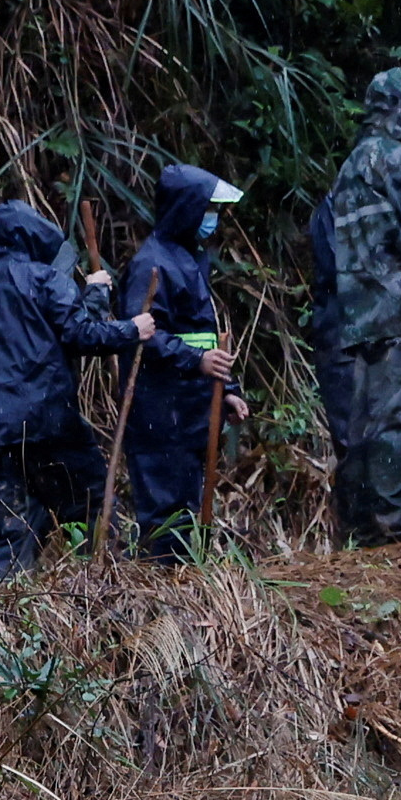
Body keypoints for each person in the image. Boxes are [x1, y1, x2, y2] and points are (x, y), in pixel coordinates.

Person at [0, 199, 135, 580]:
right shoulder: (45, 279)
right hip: (46, 427)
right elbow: (79, 334)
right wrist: (129, 325)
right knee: (94, 510)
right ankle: (112, 600)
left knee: (9, 535)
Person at [304, 68, 401, 547]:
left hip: (358, 316)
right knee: (393, 421)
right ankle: (394, 527)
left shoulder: (354, 162)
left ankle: (362, 525)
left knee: (364, 424)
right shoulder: (392, 158)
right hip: (393, 309)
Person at [112, 163, 250, 563]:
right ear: (186, 209)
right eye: (208, 210)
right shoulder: (150, 264)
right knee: (164, 512)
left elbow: (205, 337)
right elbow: (144, 334)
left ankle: (192, 585)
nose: (215, 220)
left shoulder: (190, 259)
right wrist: (197, 362)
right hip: (159, 410)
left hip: (190, 408)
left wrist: (227, 391)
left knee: (190, 506)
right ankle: (164, 597)